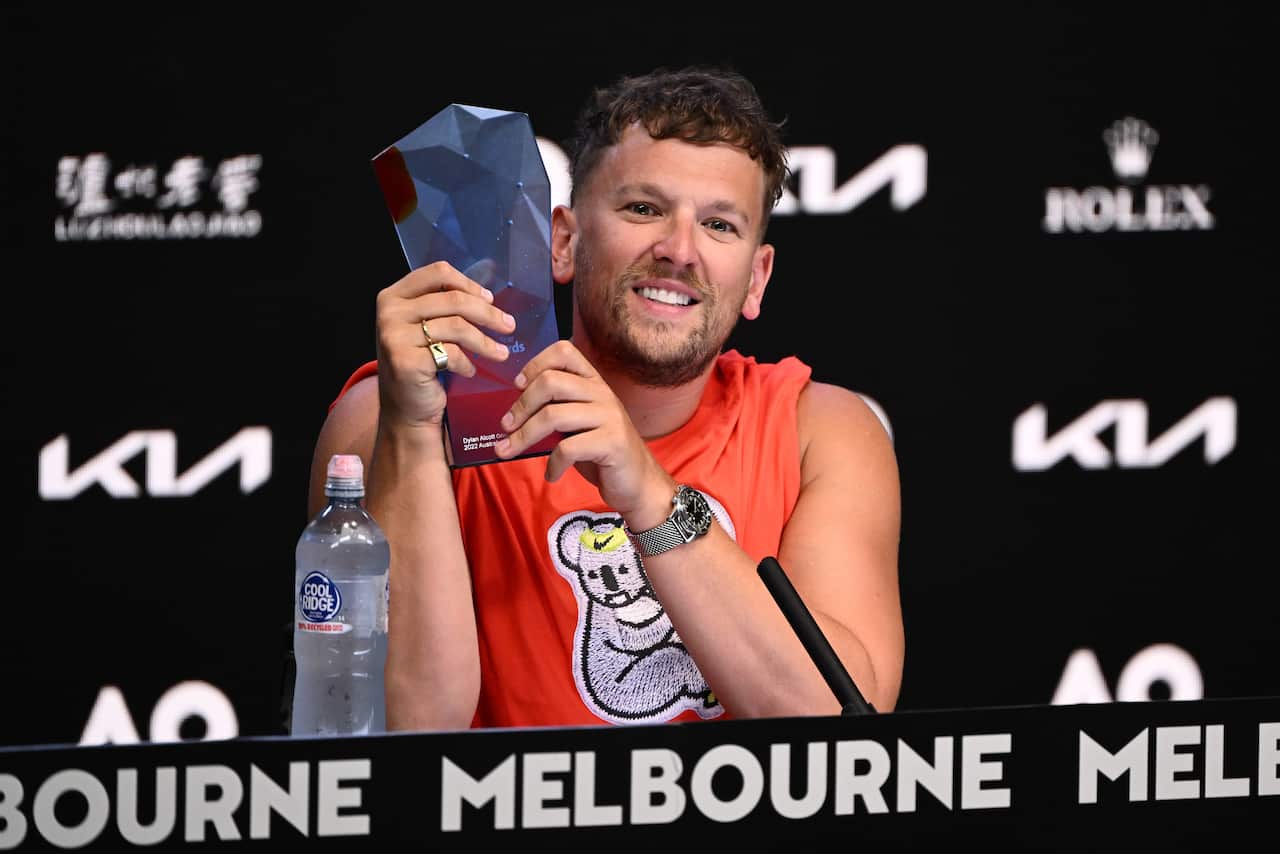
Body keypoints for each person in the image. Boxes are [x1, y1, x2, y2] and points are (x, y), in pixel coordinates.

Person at [309, 65, 904, 730]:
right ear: (562, 240)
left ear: (757, 277)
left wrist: (649, 496)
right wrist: (413, 429)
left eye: (720, 225)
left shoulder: (817, 428)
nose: (679, 251)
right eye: (643, 209)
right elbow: (406, 730)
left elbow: (843, 729)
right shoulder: (400, 412)